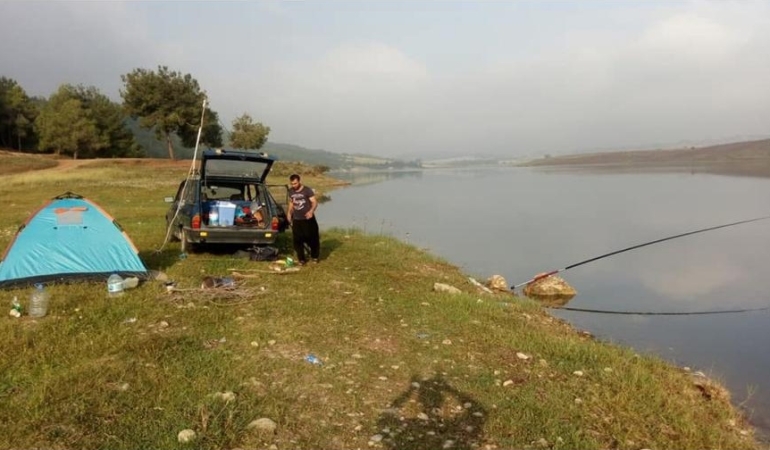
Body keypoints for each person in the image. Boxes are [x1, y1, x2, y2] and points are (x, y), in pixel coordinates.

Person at [287, 174, 320, 264]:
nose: (294, 185)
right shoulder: (290, 191)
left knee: (312, 238)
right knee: (297, 240)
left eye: (295, 183)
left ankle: (314, 257)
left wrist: (311, 211)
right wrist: (289, 214)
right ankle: (301, 259)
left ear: (299, 181)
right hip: (297, 219)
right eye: (292, 184)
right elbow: (291, 203)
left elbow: (314, 202)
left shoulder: (307, 190)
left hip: (308, 219)